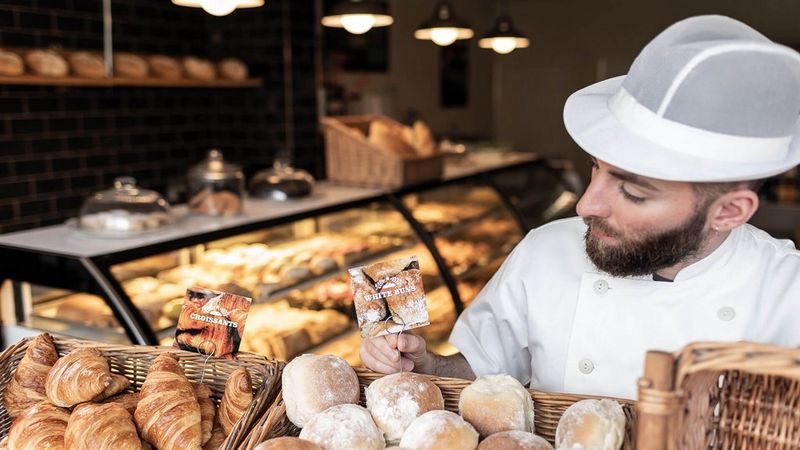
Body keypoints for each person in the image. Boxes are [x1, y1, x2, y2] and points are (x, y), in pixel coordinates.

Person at [359, 15, 800, 400]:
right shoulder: (545, 250)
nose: (587, 205)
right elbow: (482, 371)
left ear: (729, 212)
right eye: (596, 169)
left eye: (633, 192)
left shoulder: (785, 294)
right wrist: (424, 366)